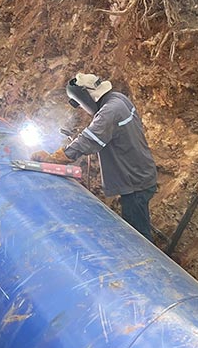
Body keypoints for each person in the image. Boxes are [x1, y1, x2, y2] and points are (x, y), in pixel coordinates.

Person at [34, 73, 158, 240]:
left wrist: (55, 158)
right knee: (137, 221)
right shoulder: (117, 99)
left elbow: (88, 140)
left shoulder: (110, 111)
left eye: (80, 103)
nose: (81, 107)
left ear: (86, 98)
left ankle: (145, 255)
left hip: (135, 182)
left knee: (138, 236)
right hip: (141, 171)